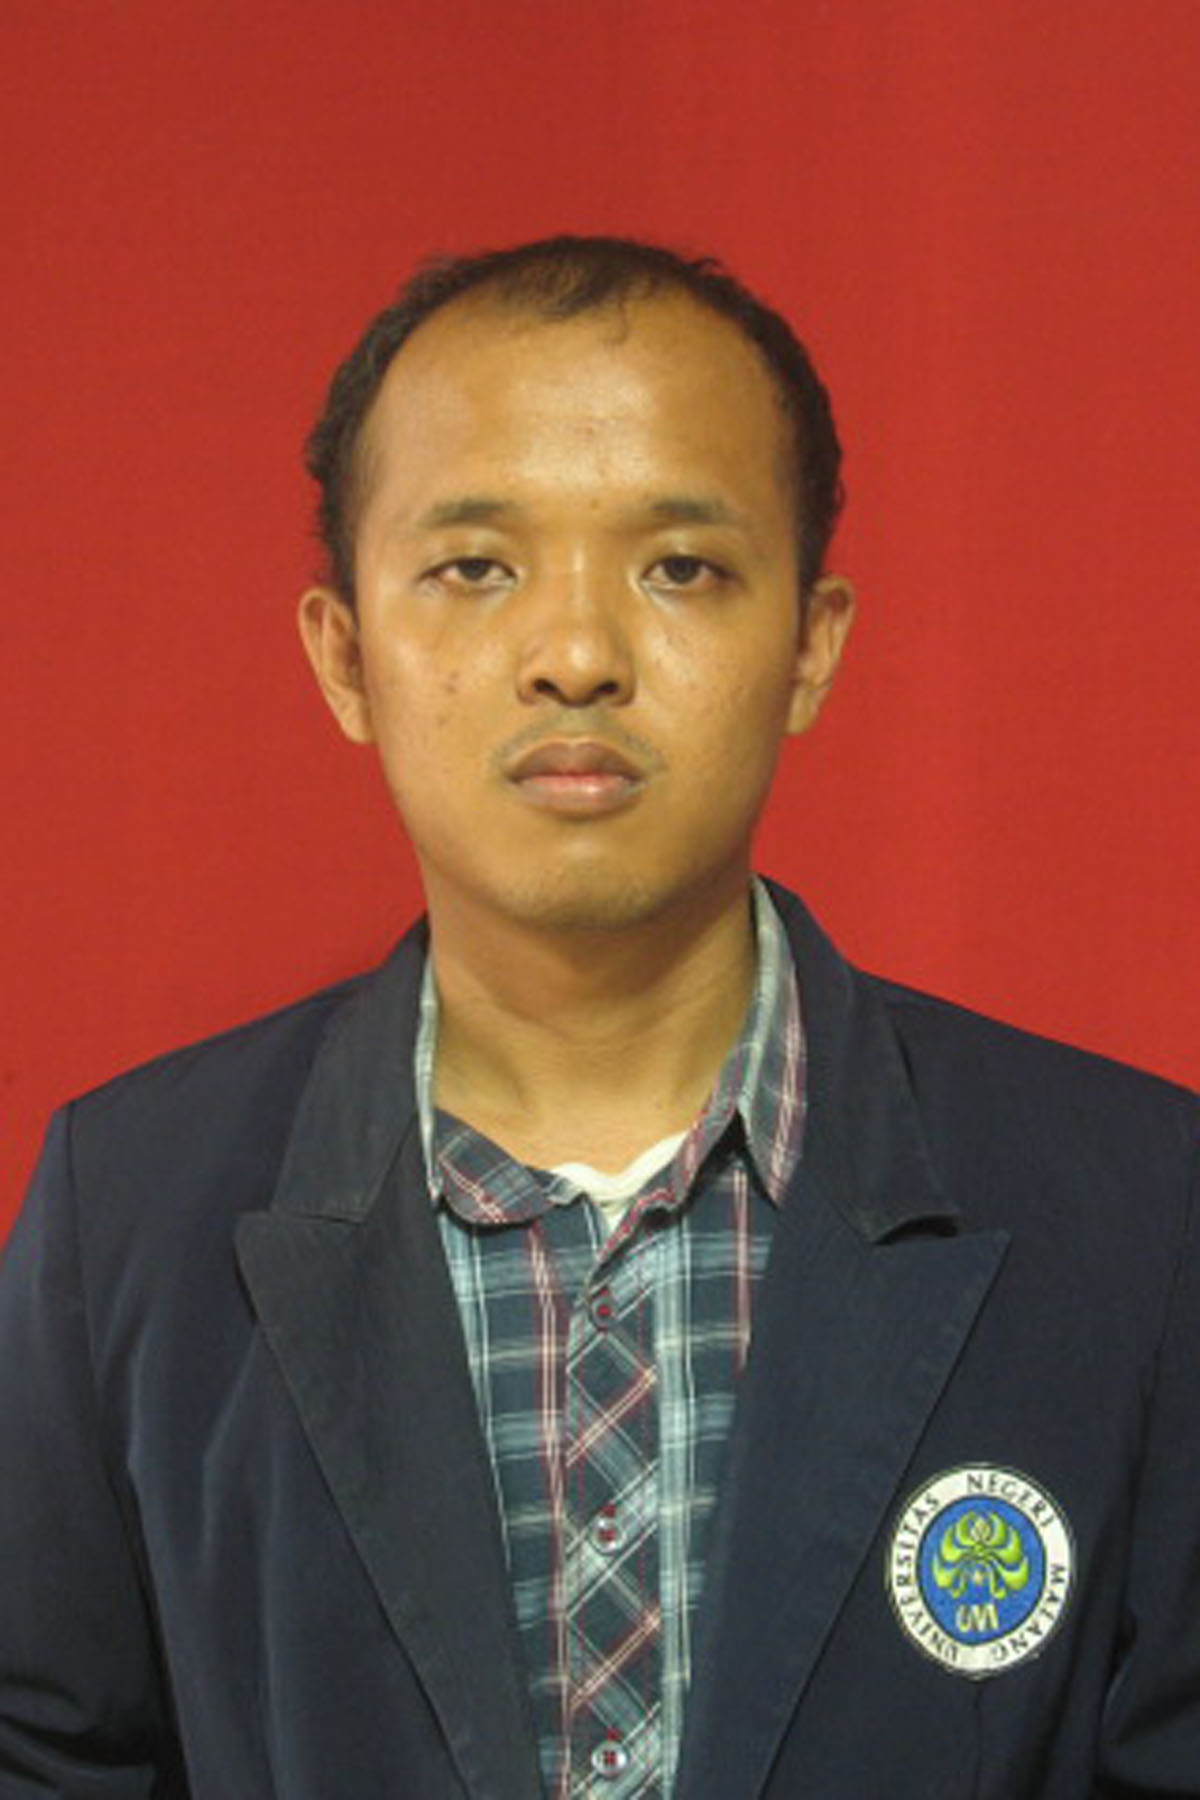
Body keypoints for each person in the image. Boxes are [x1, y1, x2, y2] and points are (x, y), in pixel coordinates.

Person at [0, 236, 1196, 1800]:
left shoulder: (1140, 1210)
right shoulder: (128, 1218)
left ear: (813, 645)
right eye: (475, 568)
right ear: (346, 656)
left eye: (680, 568)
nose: (576, 657)